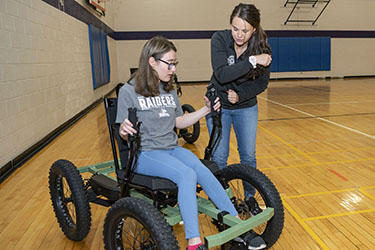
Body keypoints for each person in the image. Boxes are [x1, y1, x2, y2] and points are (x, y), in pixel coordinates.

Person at [116, 36, 241, 250]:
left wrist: (206, 110)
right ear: (152, 61)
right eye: (169, 63)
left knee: (202, 170)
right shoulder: (129, 91)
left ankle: (236, 222)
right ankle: (193, 242)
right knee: (187, 175)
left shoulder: (169, 89)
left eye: (175, 63)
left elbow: (179, 122)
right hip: (145, 153)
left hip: (171, 148)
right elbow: (123, 132)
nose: (173, 68)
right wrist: (124, 129)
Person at [206, 3, 272, 202]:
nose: (239, 35)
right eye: (235, 29)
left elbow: (261, 84)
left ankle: (250, 198)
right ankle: (221, 201)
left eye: (245, 30)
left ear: (254, 30)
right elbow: (222, 74)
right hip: (218, 105)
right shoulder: (219, 39)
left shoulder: (263, 50)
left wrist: (240, 95)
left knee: (248, 157)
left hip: (246, 107)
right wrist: (252, 61)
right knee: (219, 157)